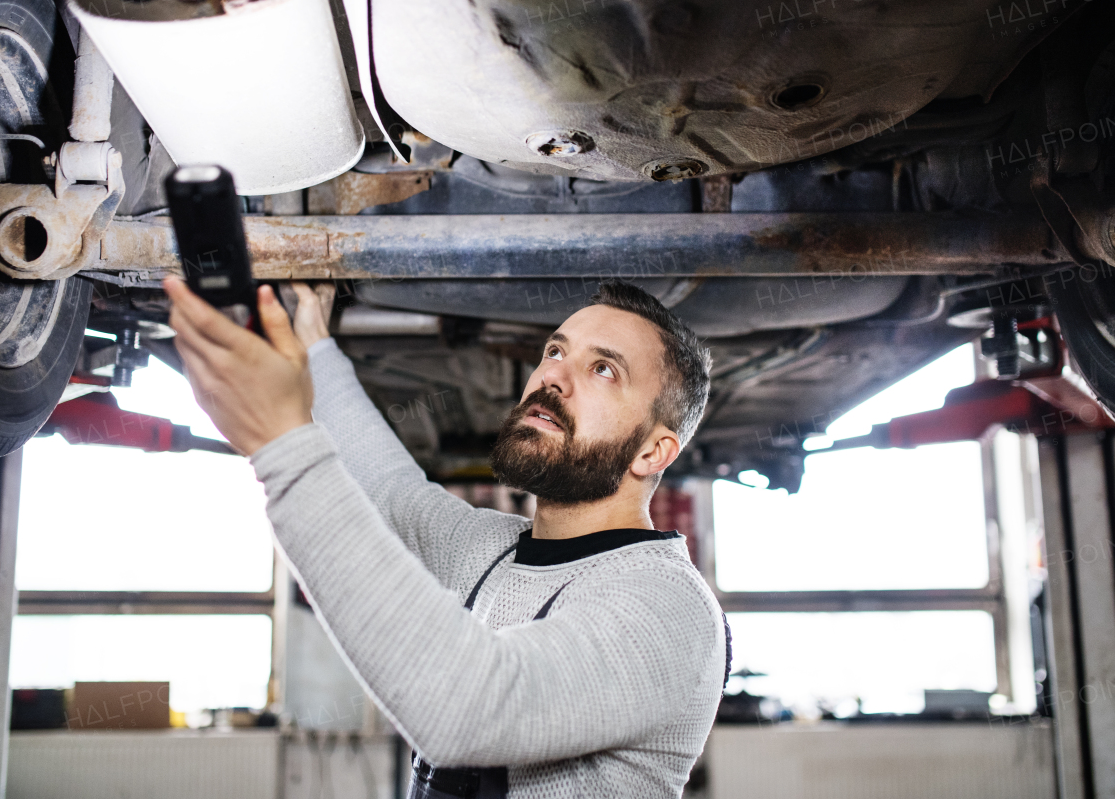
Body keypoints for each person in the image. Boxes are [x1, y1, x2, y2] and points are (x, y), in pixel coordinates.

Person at [163, 275, 730, 799]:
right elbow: (387, 490)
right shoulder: (493, 550)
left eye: (604, 369)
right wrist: (314, 346)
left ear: (654, 450)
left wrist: (281, 445)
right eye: (556, 351)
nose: (553, 375)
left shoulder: (670, 608)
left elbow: (472, 710)